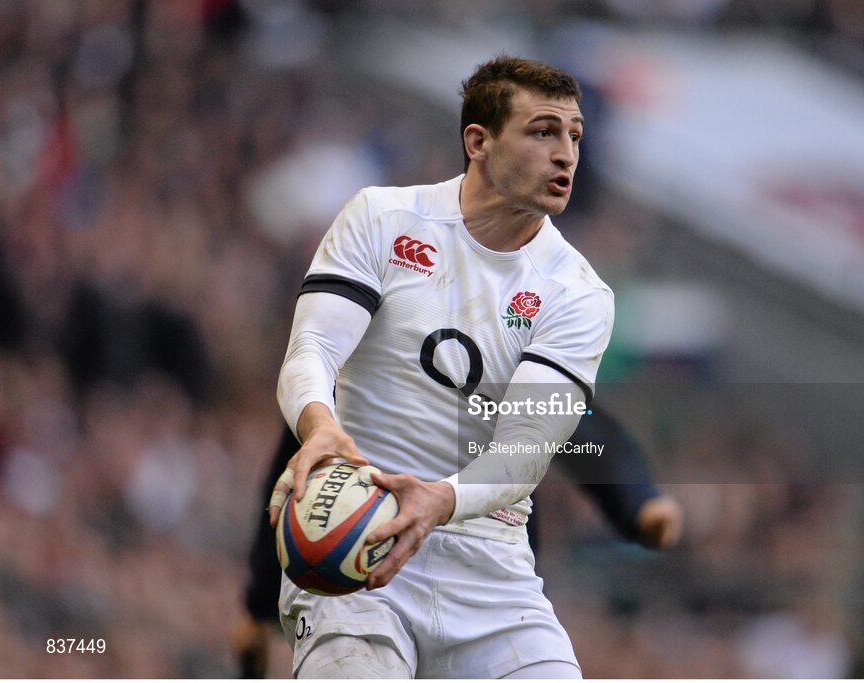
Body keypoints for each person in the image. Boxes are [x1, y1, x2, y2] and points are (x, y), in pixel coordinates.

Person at [268, 55, 615, 678]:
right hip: (358, 532)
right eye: (542, 132)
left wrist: (440, 500)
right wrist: (319, 426)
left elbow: (525, 449)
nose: (566, 154)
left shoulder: (578, 293)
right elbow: (312, 348)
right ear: (478, 142)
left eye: (574, 135)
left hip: (488, 563)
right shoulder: (382, 218)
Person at [236, 413, 682, 677]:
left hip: (488, 585)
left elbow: (575, 420)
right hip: (373, 586)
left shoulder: (501, 340)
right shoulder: (360, 351)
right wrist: (259, 602)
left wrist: (636, 500)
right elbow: (297, 471)